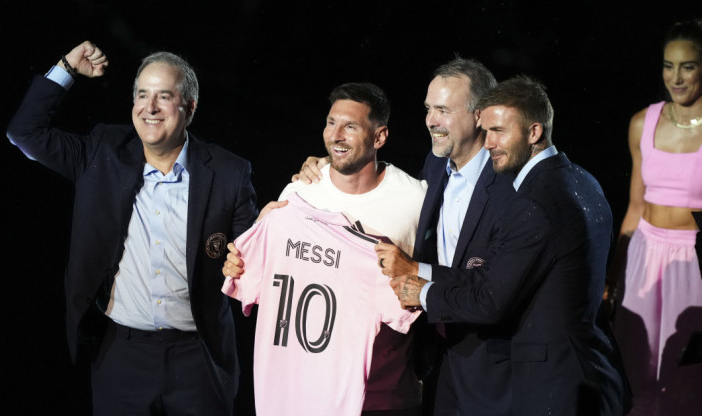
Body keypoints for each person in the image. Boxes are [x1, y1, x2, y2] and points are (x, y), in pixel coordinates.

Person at [6, 41, 258, 415]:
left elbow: (255, 257)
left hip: (198, 358)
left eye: (164, 96)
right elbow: (24, 133)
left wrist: (313, 184)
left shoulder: (229, 172)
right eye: (142, 95)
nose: (150, 108)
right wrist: (66, 69)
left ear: (189, 107)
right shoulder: (103, 150)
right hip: (119, 355)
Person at [380, 75, 625, 415]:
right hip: (589, 368)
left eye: (498, 131)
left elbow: (490, 299)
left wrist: (421, 292)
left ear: (534, 132)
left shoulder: (532, 203)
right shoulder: (584, 181)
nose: (488, 141)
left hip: (553, 386)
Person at [296, 58, 517, 415]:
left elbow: (495, 288)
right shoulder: (434, 167)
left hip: (491, 364)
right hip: (436, 361)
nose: (431, 120)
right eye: (429, 108)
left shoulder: (511, 187)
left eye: (443, 110)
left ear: (480, 115)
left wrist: (415, 270)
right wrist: (331, 166)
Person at [223, 83, 428, 415]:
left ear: (379, 138)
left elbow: (430, 286)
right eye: (331, 123)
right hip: (299, 393)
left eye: (350, 126)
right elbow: (253, 267)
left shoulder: (415, 201)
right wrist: (240, 262)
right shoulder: (300, 192)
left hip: (382, 394)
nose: (336, 135)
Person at [608, 18, 702, 416]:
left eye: (687, 66)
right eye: (668, 66)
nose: (675, 78)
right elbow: (634, 206)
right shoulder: (642, 122)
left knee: (690, 384)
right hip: (644, 256)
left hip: (697, 264)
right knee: (641, 378)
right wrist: (613, 275)